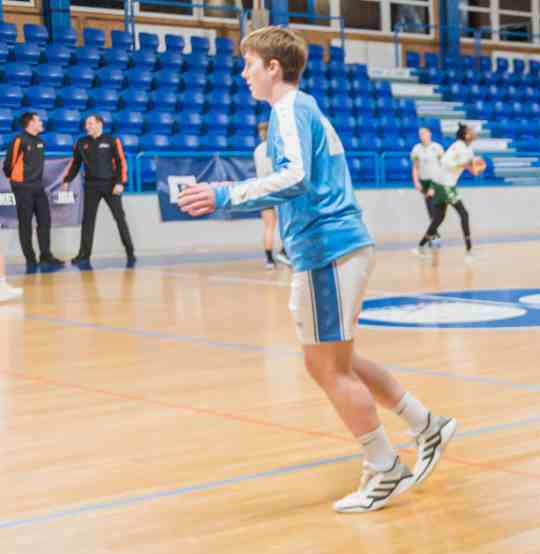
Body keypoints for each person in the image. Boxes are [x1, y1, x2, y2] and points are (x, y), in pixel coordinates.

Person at [177, 26, 457, 514]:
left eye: (249, 64)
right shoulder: (299, 109)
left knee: (328, 368)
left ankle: (385, 466)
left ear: (273, 68)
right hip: (329, 250)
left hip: (328, 251)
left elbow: (296, 177)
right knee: (334, 362)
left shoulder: (289, 109)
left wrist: (223, 194)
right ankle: (425, 424)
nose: (243, 74)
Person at [63, 113, 136, 269]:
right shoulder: (81, 142)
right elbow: (75, 164)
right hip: (91, 186)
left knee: (120, 218)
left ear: (100, 124)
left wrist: (120, 182)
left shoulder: (112, 140)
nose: (87, 126)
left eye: (90, 123)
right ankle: (83, 255)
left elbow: (121, 162)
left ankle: (130, 252)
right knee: (87, 221)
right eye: (86, 124)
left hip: (111, 185)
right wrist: (67, 180)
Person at [5, 113, 63, 272]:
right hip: (22, 187)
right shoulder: (19, 140)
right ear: (30, 123)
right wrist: (17, 180)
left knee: (45, 220)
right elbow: (8, 164)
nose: (41, 122)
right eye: (38, 120)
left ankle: (46, 256)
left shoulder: (40, 142)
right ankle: (30, 259)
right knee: (25, 223)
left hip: (38, 186)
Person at [421, 123, 480, 257]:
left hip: (446, 184)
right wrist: (462, 164)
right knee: (464, 214)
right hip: (444, 185)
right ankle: (469, 250)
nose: (474, 132)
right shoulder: (458, 146)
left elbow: (469, 168)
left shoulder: (469, 150)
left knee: (438, 219)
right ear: (466, 135)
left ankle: (421, 245)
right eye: (471, 131)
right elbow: (445, 162)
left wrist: (475, 170)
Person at [253, 122, 289, 269]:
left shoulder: (257, 150)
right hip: (277, 187)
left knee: (269, 226)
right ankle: (285, 252)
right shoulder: (277, 148)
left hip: (262, 189)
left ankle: (269, 260)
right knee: (287, 223)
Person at [408, 125, 445, 253]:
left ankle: (433, 241)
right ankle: (434, 240)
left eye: (424, 133)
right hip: (424, 183)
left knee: (435, 213)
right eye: (420, 134)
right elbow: (415, 167)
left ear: (430, 134)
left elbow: (443, 166)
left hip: (436, 182)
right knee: (431, 213)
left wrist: (435, 185)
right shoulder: (416, 149)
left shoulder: (437, 148)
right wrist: (416, 181)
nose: (422, 136)